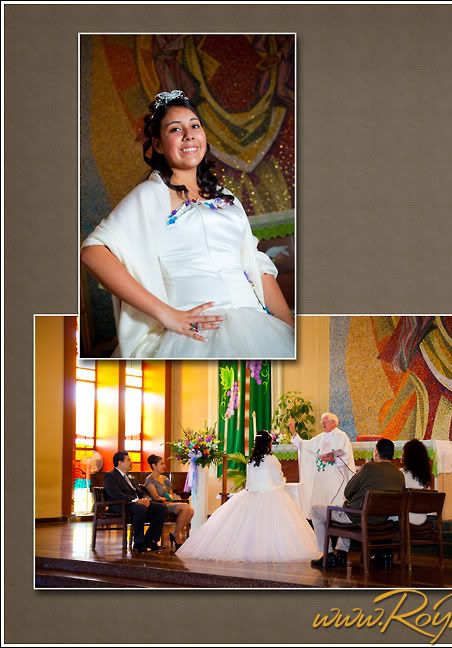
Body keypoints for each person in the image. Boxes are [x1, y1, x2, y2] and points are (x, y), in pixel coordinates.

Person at [80, 89, 294, 359]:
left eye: (194, 126)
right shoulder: (151, 194)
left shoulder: (227, 199)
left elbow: (257, 265)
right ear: (157, 144)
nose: (189, 134)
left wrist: (287, 325)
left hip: (257, 326)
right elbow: (92, 251)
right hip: (196, 336)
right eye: (175, 129)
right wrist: (167, 315)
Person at [175, 431, 317, 562]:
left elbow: (249, 482)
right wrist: (282, 481)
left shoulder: (251, 461)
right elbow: (278, 479)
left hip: (251, 493)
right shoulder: (272, 460)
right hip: (271, 495)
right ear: (268, 444)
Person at [313, 438, 405, 569]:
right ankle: (341, 552)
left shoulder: (368, 467)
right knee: (348, 509)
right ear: (392, 454)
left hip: (359, 518)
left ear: (376, 452)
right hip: (382, 520)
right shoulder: (399, 474)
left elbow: (348, 491)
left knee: (316, 510)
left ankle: (328, 555)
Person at [292, 412, 358, 559]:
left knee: (340, 510)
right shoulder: (320, 438)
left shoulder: (342, 436)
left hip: (337, 481)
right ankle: (325, 552)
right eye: (322, 421)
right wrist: (294, 433)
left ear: (334, 422)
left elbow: (346, 456)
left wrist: (334, 457)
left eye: (325, 420)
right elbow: (305, 446)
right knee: (320, 510)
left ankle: (341, 550)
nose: (323, 423)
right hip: (322, 483)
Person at [103, 451, 168, 553]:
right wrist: (136, 500)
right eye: (128, 460)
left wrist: (146, 499)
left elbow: (140, 491)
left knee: (161, 508)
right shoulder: (110, 476)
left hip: (135, 503)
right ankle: (139, 543)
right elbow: (115, 494)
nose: (131, 462)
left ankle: (151, 540)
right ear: (120, 462)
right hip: (120, 505)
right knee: (140, 508)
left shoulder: (130, 476)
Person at [144, 454, 194, 550]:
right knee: (185, 506)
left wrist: (169, 497)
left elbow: (170, 494)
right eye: (161, 464)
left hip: (168, 503)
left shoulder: (165, 478)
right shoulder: (149, 480)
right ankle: (176, 535)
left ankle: (176, 533)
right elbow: (156, 497)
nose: (164, 466)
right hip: (160, 506)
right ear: (154, 466)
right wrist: (166, 498)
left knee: (191, 511)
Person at [401, 438, 434, 525]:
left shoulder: (400, 474)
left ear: (407, 456)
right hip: (422, 519)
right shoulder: (424, 477)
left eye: (403, 452)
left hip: (404, 519)